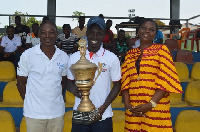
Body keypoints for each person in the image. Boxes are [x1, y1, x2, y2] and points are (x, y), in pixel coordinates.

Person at [121, 18, 183, 132]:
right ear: (138, 31)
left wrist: (150, 104)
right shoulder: (130, 54)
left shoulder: (162, 50)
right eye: (143, 28)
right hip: (134, 110)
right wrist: (128, 105)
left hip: (156, 107)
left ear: (155, 34)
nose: (147, 31)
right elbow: (125, 81)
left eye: (151, 29)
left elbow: (166, 79)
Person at [67, 16, 121, 132]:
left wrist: (103, 107)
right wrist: (74, 91)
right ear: (87, 33)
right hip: (80, 113)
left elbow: (117, 85)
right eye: (92, 33)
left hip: (103, 114)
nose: (95, 36)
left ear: (104, 35)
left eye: (99, 33)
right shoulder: (74, 57)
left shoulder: (112, 58)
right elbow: (69, 82)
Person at [17, 20, 68, 132]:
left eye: (51, 32)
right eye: (44, 32)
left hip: (56, 113)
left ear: (56, 35)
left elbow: (63, 82)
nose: (47, 36)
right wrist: (31, 102)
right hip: (34, 114)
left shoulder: (64, 57)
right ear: (38, 35)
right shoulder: (27, 55)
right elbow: (20, 83)